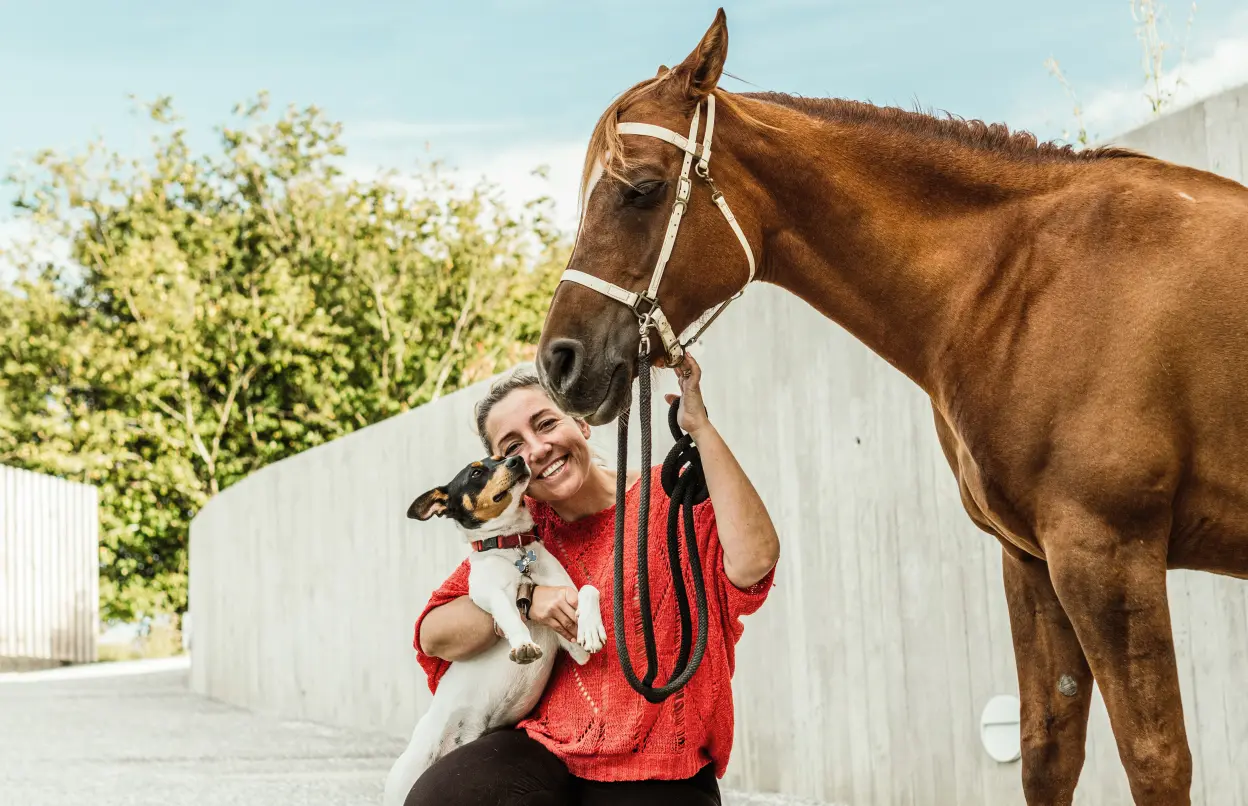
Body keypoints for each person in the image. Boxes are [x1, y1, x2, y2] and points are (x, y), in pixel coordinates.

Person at [406, 352, 780, 806]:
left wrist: (699, 428)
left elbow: (754, 562)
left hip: (663, 764)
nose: (536, 449)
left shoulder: (669, 498)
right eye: (512, 447)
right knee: (443, 796)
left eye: (545, 424)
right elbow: (432, 633)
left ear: (581, 424)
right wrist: (527, 599)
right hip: (549, 753)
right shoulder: (519, 533)